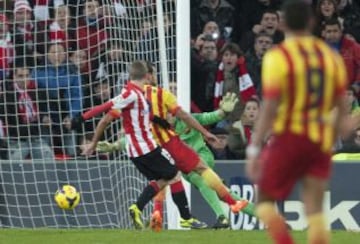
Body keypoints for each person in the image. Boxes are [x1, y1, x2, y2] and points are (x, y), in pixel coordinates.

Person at [245, 1, 349, 244]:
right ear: (313, 22)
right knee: (314, 210)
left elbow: (270, 106)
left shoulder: (279, 56)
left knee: (264, 202)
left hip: (289, 138)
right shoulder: (330, 56)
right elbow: (342, 104)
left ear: (282, 24)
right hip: (320, 140)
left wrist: (254, 147)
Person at [97, 92, 257, 230]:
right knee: (224, 193)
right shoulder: (157, 129)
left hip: (202, 158)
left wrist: (222, 112)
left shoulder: (188, 120)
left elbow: (209, 117)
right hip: (183, 165)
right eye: (166, 113)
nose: (170, 116)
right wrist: (113, 146)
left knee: (199, 179)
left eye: (171, 112)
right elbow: (130, 140)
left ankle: (222, 218)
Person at [81, 60, 206, 230]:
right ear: (147, 76)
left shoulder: (131, 93)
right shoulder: (131, 96)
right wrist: (90, 138)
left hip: (133, 152)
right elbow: (105, 119)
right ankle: (183, 218)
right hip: (147, 148)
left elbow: (141, 115)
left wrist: (161, 122)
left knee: (163, 179)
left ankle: (141, 208)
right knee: (175, 175)